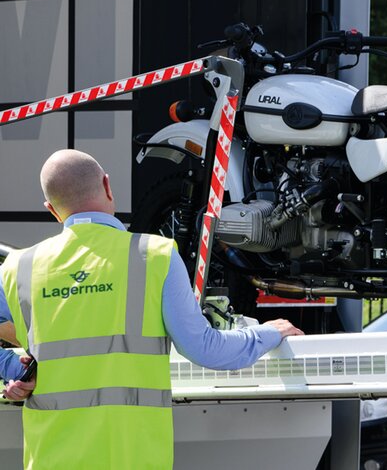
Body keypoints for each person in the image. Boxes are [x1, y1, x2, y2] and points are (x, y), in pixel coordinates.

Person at [0, 149, 304, 469]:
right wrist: (268, 333)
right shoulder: (153, 255)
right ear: (107, 186)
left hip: (50, 459)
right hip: (133, 457)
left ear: (52, 209)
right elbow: (205, 349)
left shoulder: (20, 267)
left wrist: (13, 368)